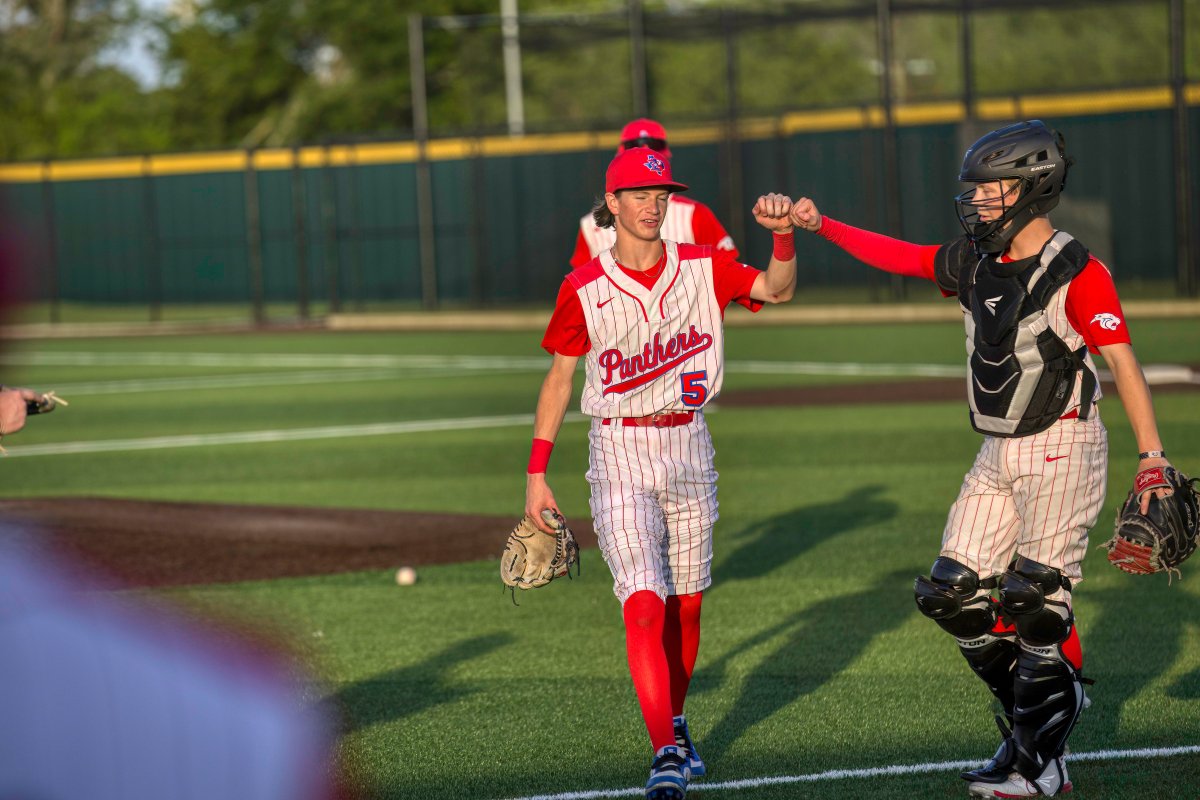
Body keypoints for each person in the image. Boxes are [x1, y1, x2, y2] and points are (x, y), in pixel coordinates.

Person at [790, 120, 1175, 799]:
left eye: (989, 189)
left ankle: (1037, 763)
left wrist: (1152, 458)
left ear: (1030, 188)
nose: (975, 201)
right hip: (997, 448)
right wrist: (824, 227)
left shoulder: (1075, 271)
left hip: (1063, 444)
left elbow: (1123, 363)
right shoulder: (975, 261)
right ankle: (1045, 717)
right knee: (949, 595)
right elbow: (905, 258)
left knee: (1035, 601)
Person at [528, 146, 798, 800]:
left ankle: (676, 720)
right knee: (644, 603)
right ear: (612, 204)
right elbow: (560, 377)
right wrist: (537, 473)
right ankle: (666, 753)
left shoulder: (704, 265)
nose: (653, 205)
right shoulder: (583, 286)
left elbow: (776, 289)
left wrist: (783, 236)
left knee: (687, 602)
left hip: (690, 445)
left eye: (661, 195)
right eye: (639, 195)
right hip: (618, 451)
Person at [569, 118, 738, 268]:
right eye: (641, 197)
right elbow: (583, 285)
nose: (653, 209)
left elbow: (729, 273)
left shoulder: (694, 214)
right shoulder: (590, 226)